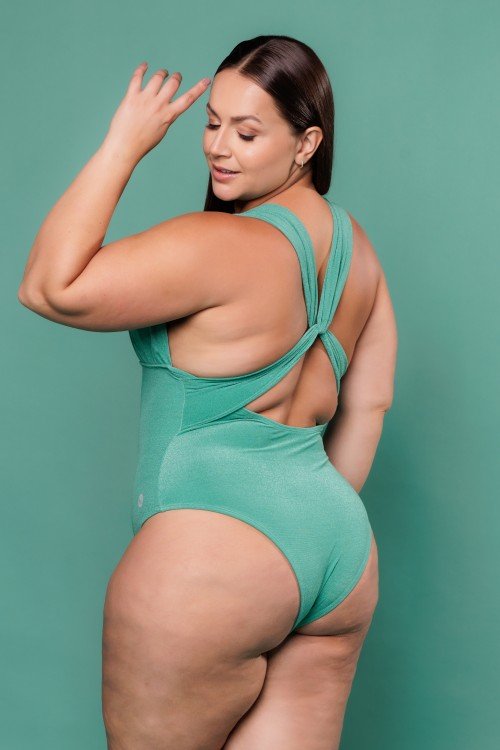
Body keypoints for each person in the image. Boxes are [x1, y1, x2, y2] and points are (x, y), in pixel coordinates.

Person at [18, 35, 397, 750]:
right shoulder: (360, 252)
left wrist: (125, 145)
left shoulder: (221, 244)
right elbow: (370, 406)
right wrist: (295, 528)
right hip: (338, 555)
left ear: (307, 143)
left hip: (210, 558)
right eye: (213, 123)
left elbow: (49, 286)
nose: (219, 147)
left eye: (247, 133)